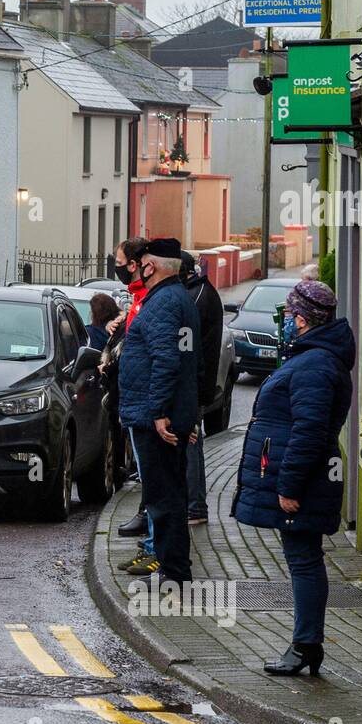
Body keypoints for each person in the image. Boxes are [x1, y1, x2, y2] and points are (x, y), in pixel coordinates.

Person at [233, 281, 354, 676]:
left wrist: (289, 486)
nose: (284, 322)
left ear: (301, 320)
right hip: (306, 477)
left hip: (305, 481)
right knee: (303, 559)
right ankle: (306, 644)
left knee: (304, 561)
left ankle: (305, 646)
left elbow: (310, 431)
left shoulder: (316, 364)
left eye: (287, 315)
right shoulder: (314, 357)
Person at [118, 237, 200, 587]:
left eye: (144, 261)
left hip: (155, 421)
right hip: (164, 414)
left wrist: (160, 413)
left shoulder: (165, 301)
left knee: (163, 499)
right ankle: (173, 570)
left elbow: (166, 360)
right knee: (168, 497)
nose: (139, 267)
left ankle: (172, 573)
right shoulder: (175, 296)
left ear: (152, 266)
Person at [108, 237, 154, 551]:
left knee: (153, 474)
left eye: (121, 264)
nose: (118, 269)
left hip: (145, 402)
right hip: (135, 399)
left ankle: (155, 544)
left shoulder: (150, 298)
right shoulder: (137, 297)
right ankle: (149, 531)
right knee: (147, 472)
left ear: (135, 265)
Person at [181, 251, 224, 526]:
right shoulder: (201, 292)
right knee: (191, 442)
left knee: (191, 443)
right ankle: (195, 506)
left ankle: (196, 507)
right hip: (198, 384)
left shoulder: (197, 297)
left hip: (195, 386)